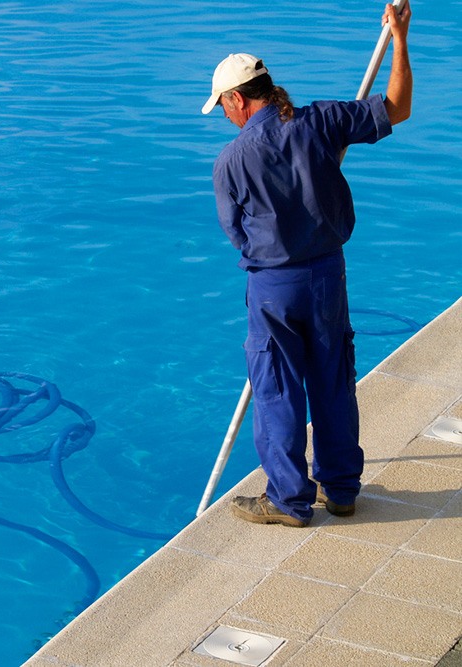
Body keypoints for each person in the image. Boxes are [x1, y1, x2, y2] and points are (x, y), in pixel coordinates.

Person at [203, 2, 413, 527]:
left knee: (276, 387)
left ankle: (289, 499)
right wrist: (401, 39)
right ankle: (341, 489)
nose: (225, 115)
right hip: (326, 276)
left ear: (237, 98)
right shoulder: (323, 121)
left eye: (223, 106)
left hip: (273, 286)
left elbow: (235, 233)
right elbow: (397, 108)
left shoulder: (231, 159)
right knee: (333, 380)